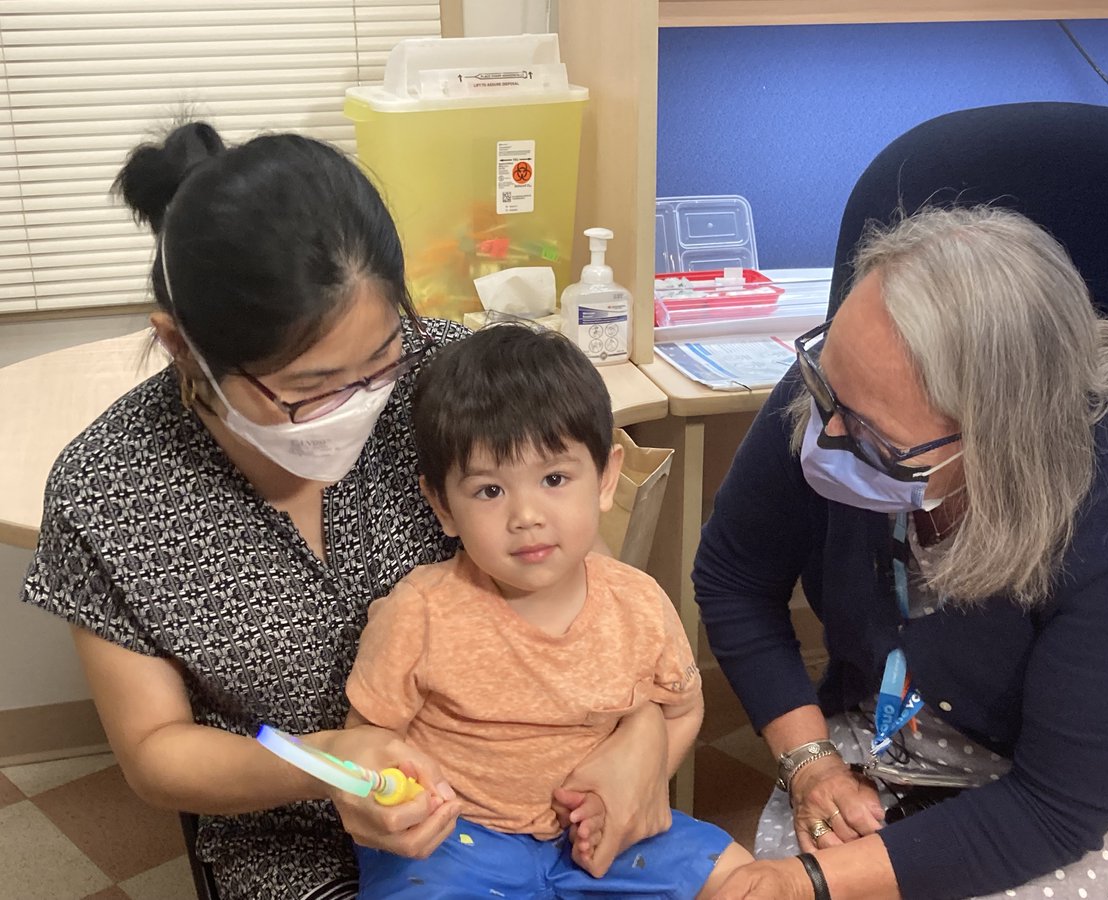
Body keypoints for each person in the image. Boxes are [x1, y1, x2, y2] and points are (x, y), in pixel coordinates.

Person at [19, 122, 674, 900]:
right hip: (289, 841)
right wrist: (327, 764)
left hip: (537, 799)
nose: (360, 407)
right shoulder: (111, 490)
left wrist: (645, 737)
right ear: (180, 347)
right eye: (310, 390)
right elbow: (155, 750)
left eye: (380, 364)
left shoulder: (443, 377)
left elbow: (571, 565)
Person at [695, 206, 1108, 900]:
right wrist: (810, 763)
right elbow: (732, 576)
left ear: (996, 437)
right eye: (825, 392)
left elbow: (1057, 810)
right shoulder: (850, 379)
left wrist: (805, 883)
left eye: (871, 433)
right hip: (891, 719)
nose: (826, 430)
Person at [344, 324, 754, 898]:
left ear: (606, 478)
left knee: (745, 877)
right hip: (458, 844)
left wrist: (632, 791)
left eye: (555, 478)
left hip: (605, 843)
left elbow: (682, 711)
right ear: (442, 506)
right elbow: (368, 735)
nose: (527, 515)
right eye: (490, 491)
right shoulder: (420, 611)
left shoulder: (638, 602)